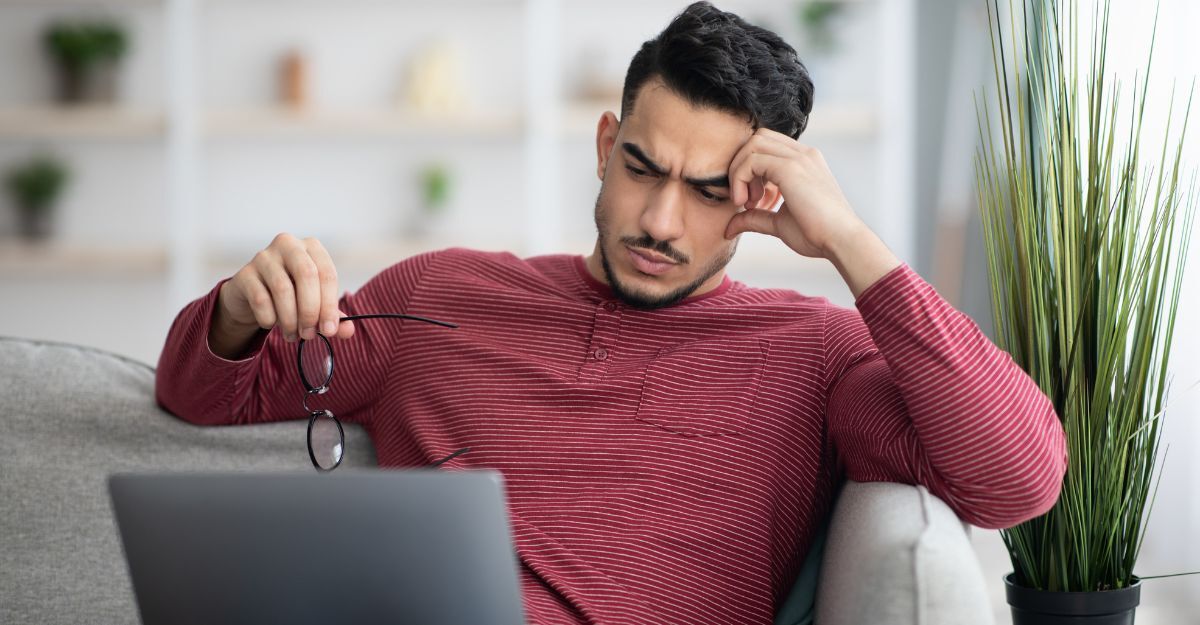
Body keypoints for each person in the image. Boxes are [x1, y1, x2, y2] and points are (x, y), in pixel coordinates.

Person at [156, 3, 1067, 624]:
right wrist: (241, 308)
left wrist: (852, 244)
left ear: (761, 200)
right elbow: (205, 395)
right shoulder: (439, 294)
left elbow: (1017, 479)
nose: (661, 222)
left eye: (709, 192)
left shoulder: (817, 357)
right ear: (605, 143)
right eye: (642, 168)